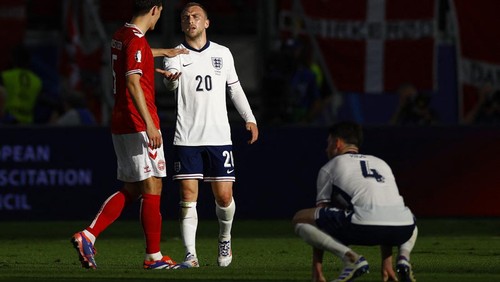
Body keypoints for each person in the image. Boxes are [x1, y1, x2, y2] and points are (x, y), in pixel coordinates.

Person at [70, 0, 188, 270]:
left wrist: (161, 52)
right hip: (138, 122)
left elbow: (136, 54)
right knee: (152, 186)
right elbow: (133, 81)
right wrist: (149, 123)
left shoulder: (121, 35)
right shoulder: (136, 41)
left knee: (134, 188)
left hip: (121, 121)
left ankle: (88, 235)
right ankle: (153, 257)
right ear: (155, 9)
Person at [161, 2, 258, 268]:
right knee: (187, 196)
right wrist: (170, 79)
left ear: (206, 23)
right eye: (185, 17)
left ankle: (224, 238)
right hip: (187, 137)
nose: (190, 20)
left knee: (224, 197)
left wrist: (249, 118)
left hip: (218, 136)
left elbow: (235, 89)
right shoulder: (175, 54)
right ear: (181, 24)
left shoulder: (223, 54)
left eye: (195, 16)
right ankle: (190, 254)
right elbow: (170, 83)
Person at [292, 121, 418, 282]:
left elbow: (318, 220)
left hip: (364, 227)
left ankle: (351, 259)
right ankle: (404, 258)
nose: (326, 148)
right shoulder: (381, 163)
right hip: (403, 230)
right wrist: (387, 263)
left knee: (301, 218)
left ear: (337, 143)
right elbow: (386, 210)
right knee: (405, 215)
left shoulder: (330, 166)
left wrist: (317, 268)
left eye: (328, 143)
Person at [0, 45, 43, 124]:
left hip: (7, 124)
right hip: (28, 124)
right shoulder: (37, 81)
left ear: (12, 59)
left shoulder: (5, 76)